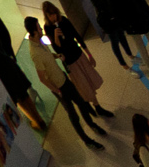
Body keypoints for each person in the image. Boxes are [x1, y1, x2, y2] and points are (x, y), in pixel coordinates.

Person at [29, 13, 106, 147]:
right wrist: (57, 91)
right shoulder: (35, 53)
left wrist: (57, 55)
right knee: (73, 116)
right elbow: (42, 78)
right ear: (35, 32)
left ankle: (92, 125)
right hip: (59, 87)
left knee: (82, 103)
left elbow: (48, 56)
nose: (41, 30)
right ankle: (86, 140)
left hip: (63, 78)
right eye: (39, 28)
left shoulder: (40, 43)